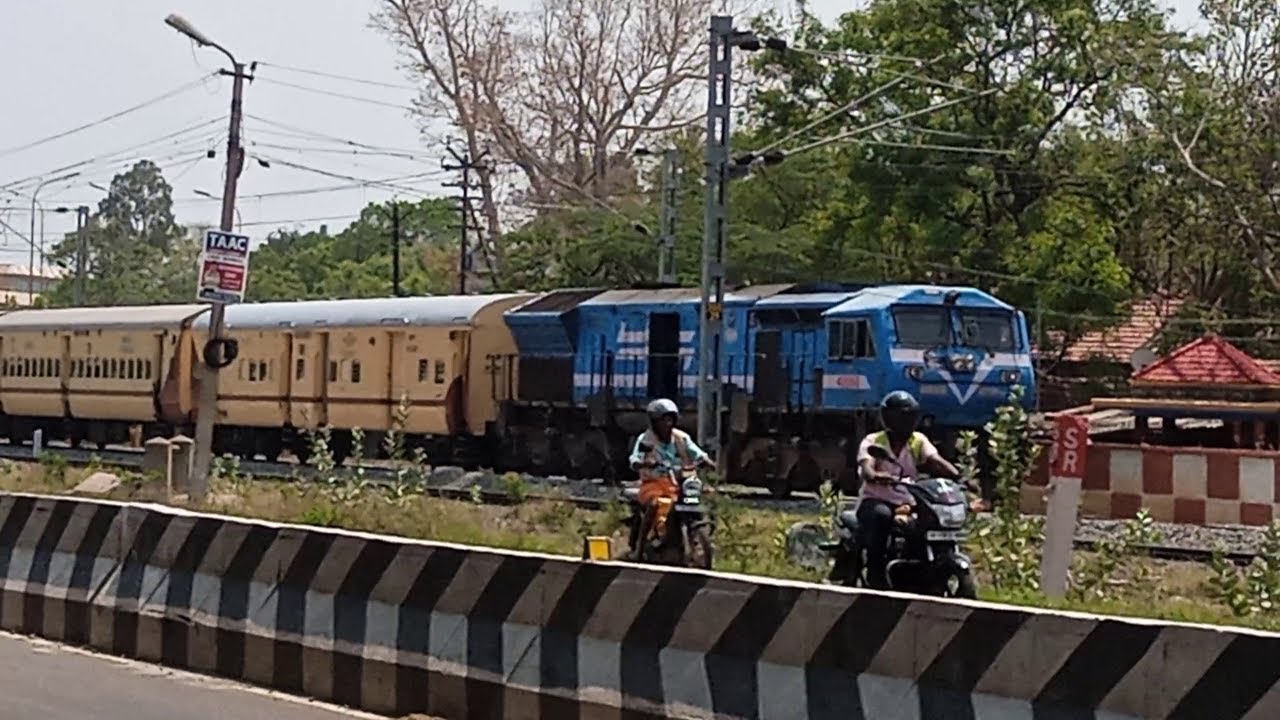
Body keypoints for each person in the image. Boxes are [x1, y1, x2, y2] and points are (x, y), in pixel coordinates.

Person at [854, 390, 960, 589]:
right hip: (876, 499)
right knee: (881, 517)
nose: (906, 422)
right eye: (901, 416)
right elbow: (867, 466)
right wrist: (875, 475)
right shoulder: (874, 441)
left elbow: (935, 461)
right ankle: (875, 574)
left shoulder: (918, 441)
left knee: (928, 521)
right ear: (888, 418)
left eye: (910, 416)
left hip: (908, 501)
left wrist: (958, 476)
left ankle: (923, 571)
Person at [629, 398, 715, 548]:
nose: (667, 424)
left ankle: (695, 533)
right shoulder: (645, 440)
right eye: (663, 421)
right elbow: (635, 458)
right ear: (654, 422)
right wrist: (643, 463)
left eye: (670, 420)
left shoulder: (682, 438)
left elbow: (697, 453)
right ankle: (641, 544)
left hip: (680, 485)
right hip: (653, 484)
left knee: (694, 501)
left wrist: (707, 461)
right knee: (657, 504)